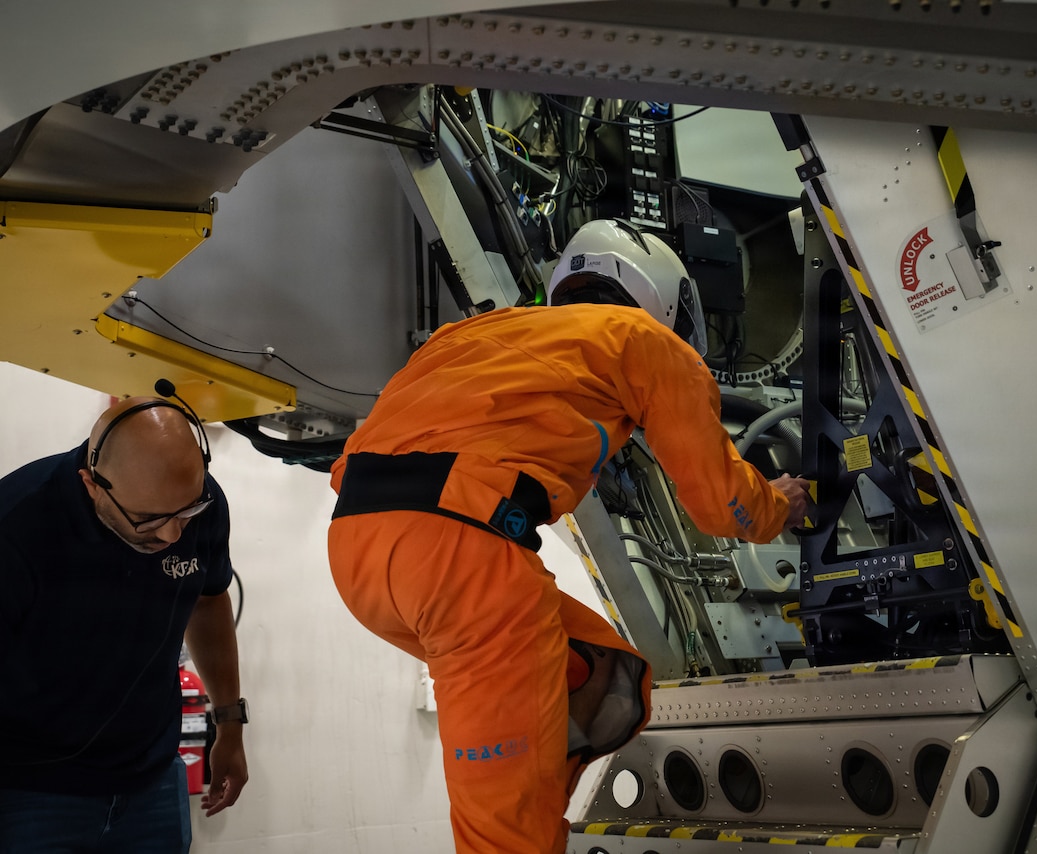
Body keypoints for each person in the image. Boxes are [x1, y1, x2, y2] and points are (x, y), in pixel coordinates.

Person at [327, 218, 811, 854]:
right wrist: (776, 505)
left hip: (357, 555)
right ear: (664, 302)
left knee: (600, 673)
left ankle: (529, 779)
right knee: (505, 835)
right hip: (460, 557)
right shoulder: (644, 341)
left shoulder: (468, 335)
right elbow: (723, 506)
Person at [0, 393, 249, 853]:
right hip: (30, 790)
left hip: (152, 779)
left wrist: (229, 723)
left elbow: (208, 600)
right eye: (148, 519)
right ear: (93, 485)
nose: (173, 534)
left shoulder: (205, 503)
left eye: (186, 513)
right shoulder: (18, 524)